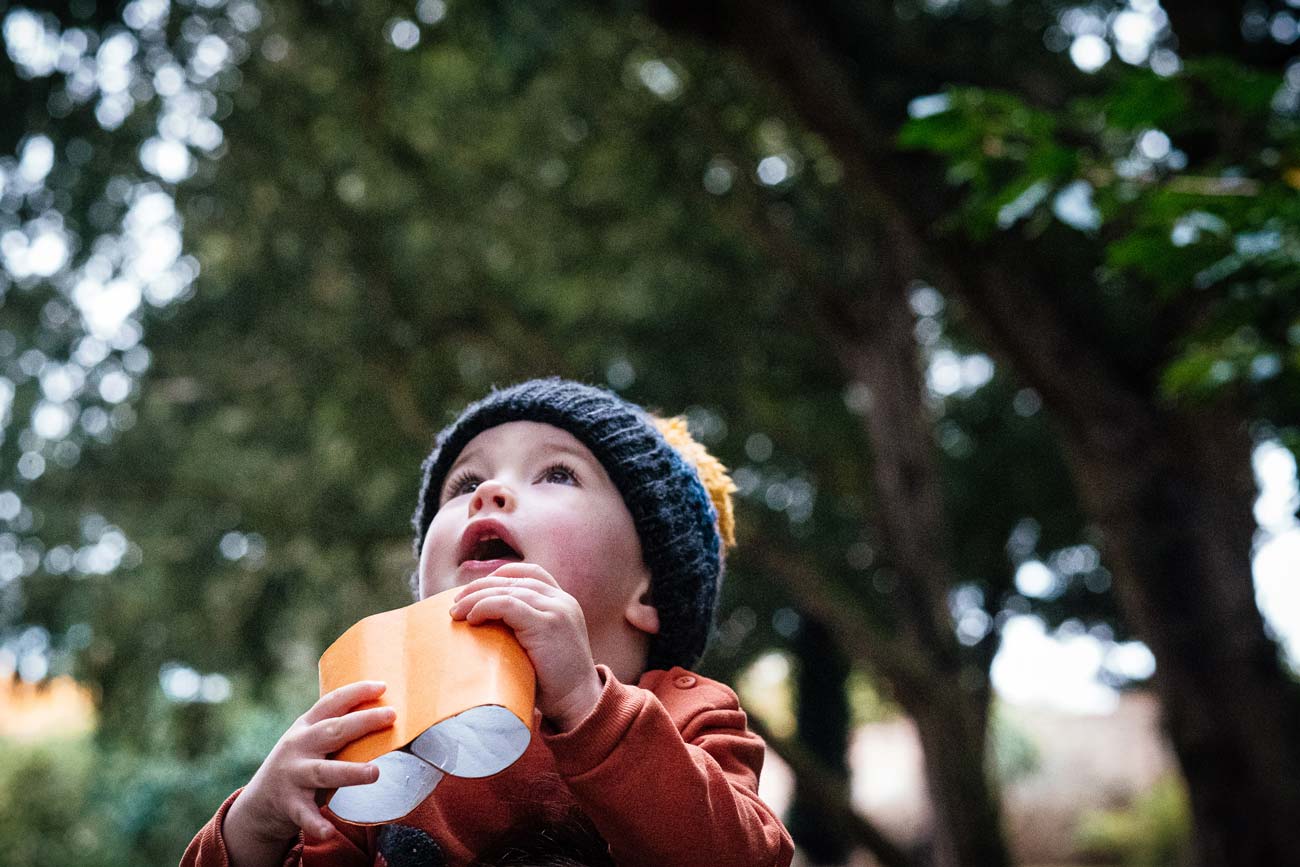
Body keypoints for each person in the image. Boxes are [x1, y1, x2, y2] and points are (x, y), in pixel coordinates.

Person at [182, 378, 794, 867]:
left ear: (648, 590)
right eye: (466, 481)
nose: (490, 492)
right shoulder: (384, 739)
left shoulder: (693, 719)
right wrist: (254, 825)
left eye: (558, 473)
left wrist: (586, 705)